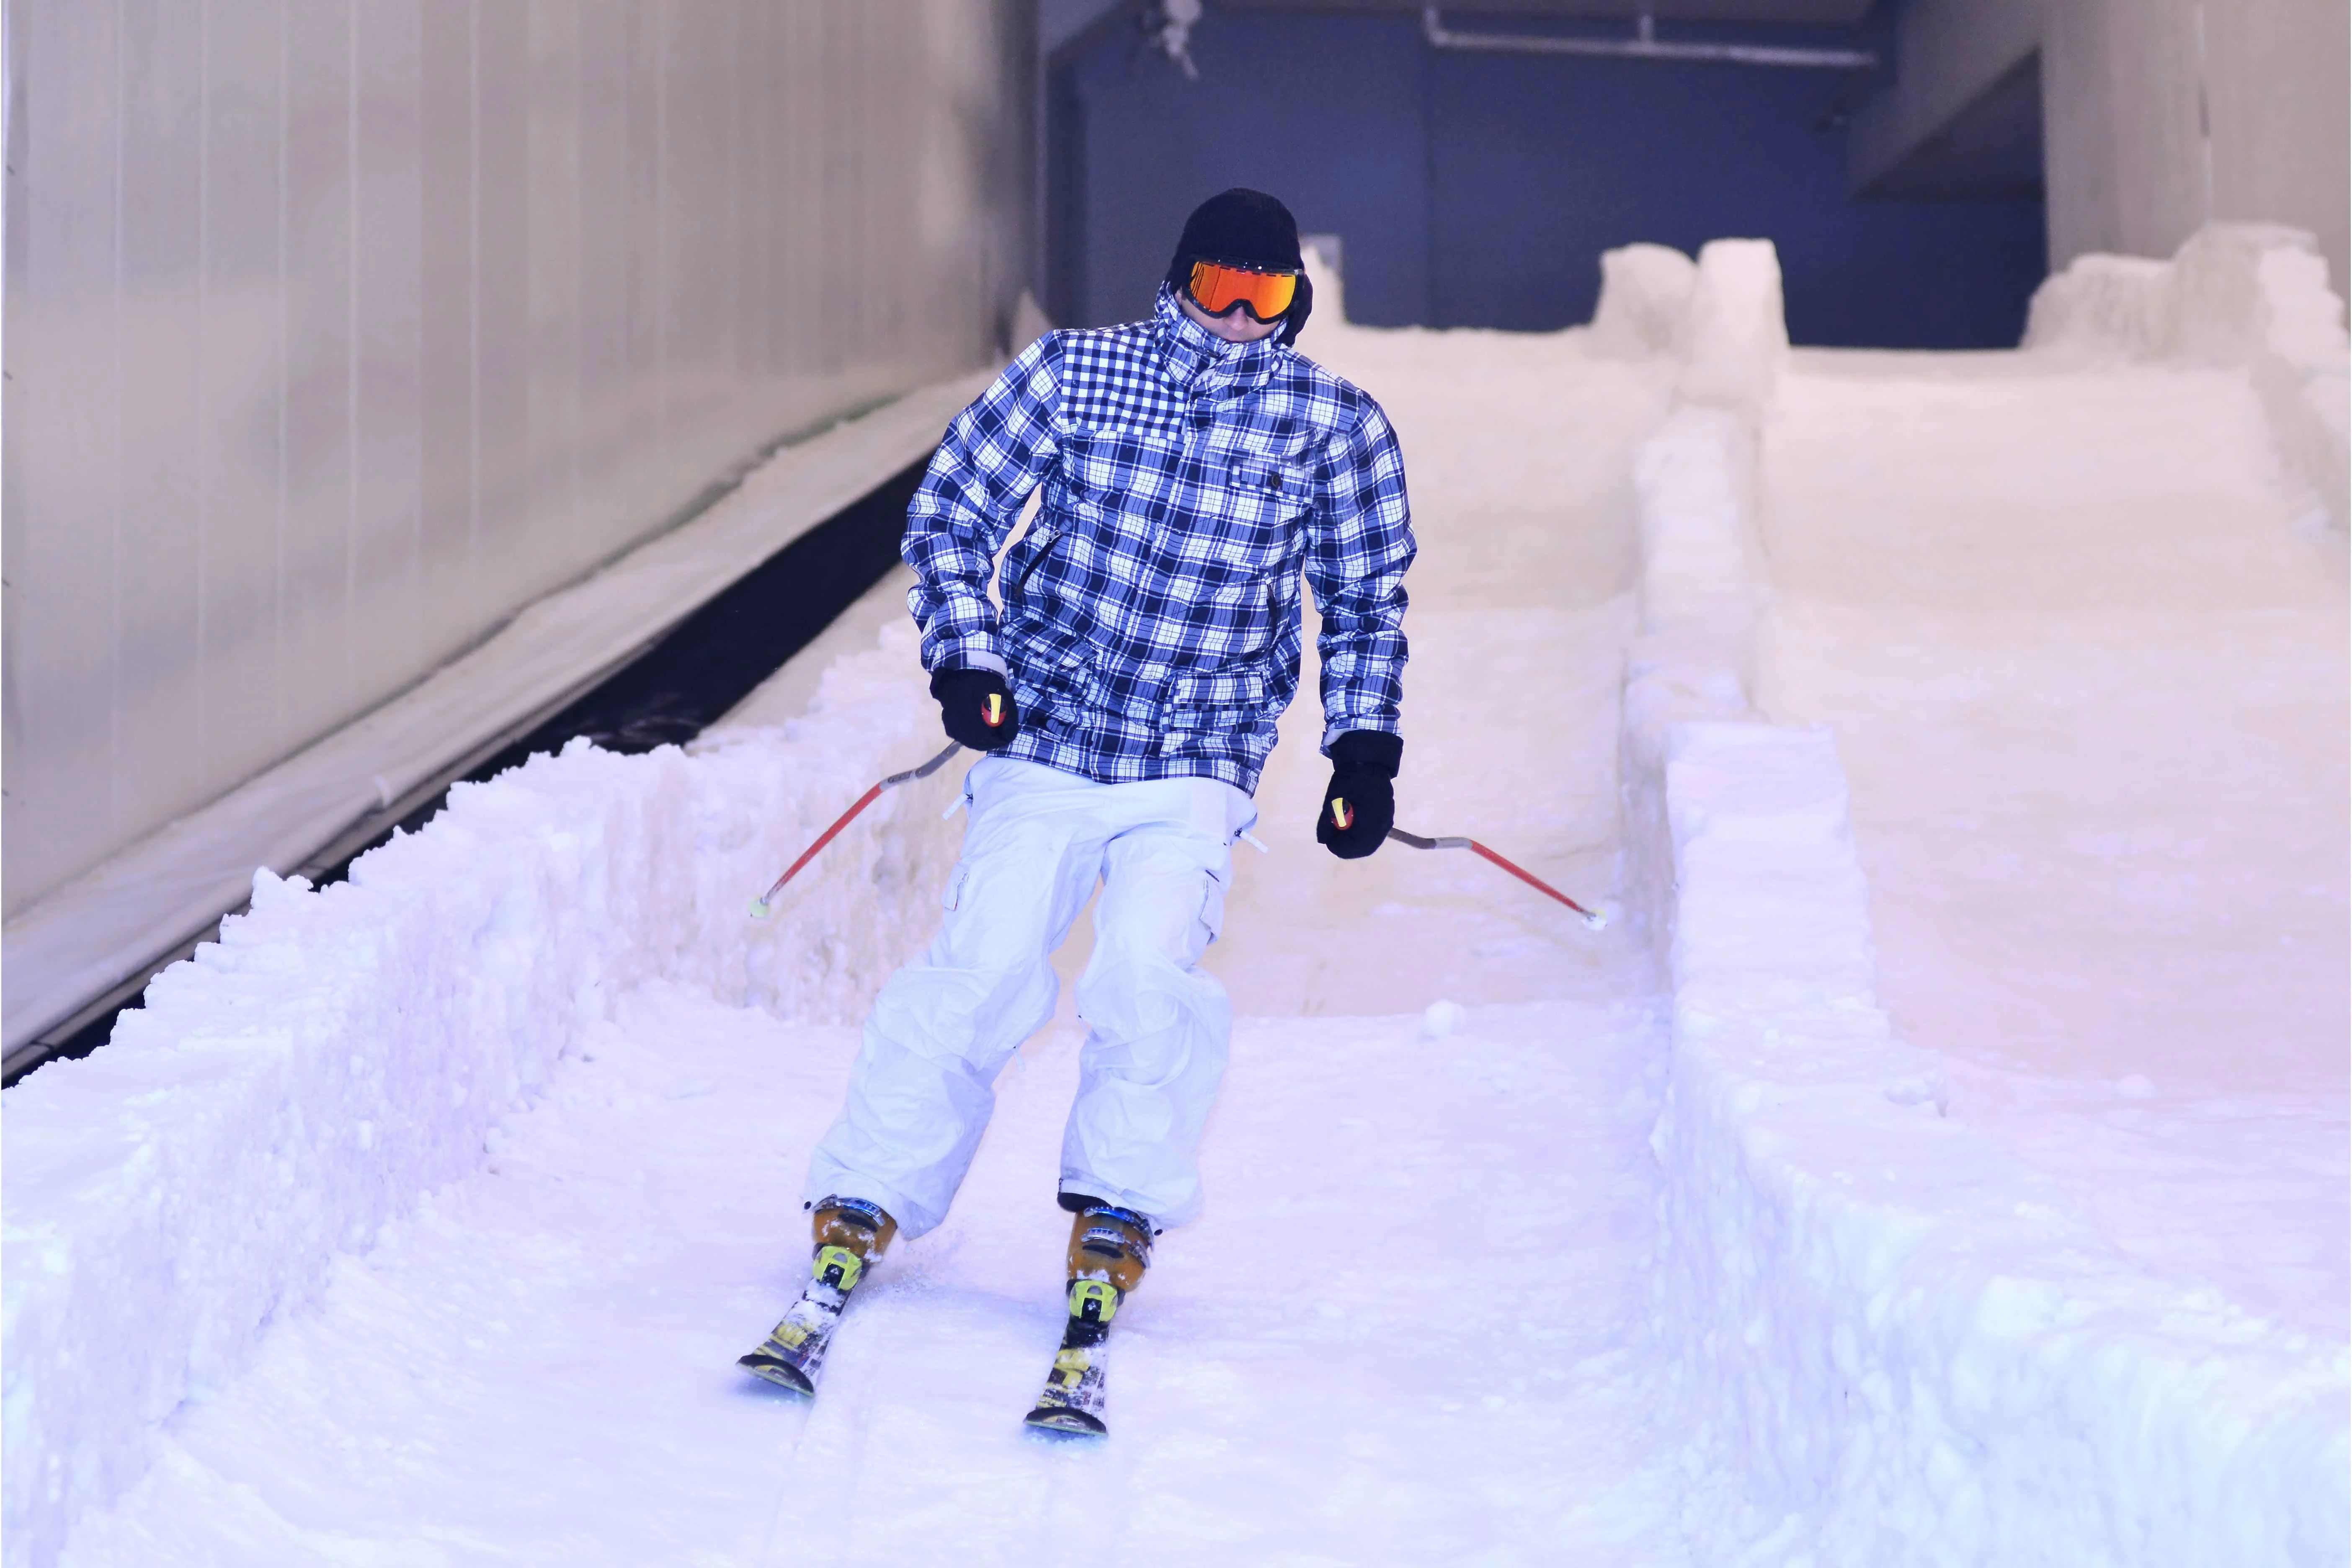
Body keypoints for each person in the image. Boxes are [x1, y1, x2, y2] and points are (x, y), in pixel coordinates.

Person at [742, 189, 1415, 1429]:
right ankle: (864, 1200)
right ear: (1178, 278)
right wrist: (968, 660)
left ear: (1294, 303)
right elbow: (954, 515)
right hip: (1048, 738)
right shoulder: (1071, 375)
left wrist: (1362, 748)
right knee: (986, 962)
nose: (1236, 319)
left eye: (1264, 299)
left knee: (1148, 981)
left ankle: (1118, 1208)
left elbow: (1366, 599)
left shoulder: (1334, 424)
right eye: (1218, 287)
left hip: (1194, 760)